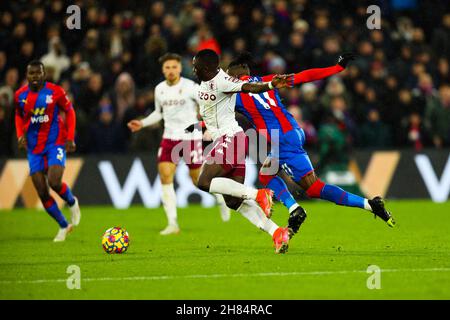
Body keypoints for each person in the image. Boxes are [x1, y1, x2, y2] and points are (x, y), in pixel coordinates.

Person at [225, 52, 396, 238]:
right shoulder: (267, 80)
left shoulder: (235, 94)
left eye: (227, 76)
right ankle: (299, 209)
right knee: (267, 173)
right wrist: (336, 68)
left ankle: (301, 209)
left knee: (314, 188)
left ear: (233, 77)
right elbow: (304, 76)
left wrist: (202, 125)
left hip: (281, 139)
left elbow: (221, 117)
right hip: (294, 131)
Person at [189, 49, 293, 253]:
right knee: (233, 200)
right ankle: (277, 233)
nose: (193, 70)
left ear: (207, 68)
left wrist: (271, 84)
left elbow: (249, 87)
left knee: (203, 182)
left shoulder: (223, 81)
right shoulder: (206, 82)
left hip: (231, 139)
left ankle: (259, 194)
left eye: (196, 67)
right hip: (231, 141)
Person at [127, 53, 230, 235]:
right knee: (165, 177)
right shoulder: (159, 89)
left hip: (190, 139)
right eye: (167, 68)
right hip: (169, 139)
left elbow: (207, 107)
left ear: (180, 68)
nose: (171, 70)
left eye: (174, 67)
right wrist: (142, 123)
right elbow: (159, 113)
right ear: (163, 70)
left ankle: (221, 198)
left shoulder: (191, 87)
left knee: (198, 181)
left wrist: (209, 127)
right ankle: (172, 224)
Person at [14, 60, 81, 242]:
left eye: (38, 73)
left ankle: (72, 201)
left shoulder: (55, 91)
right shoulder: (20, 95)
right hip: (34, 149)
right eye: (31, 74)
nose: (35, 77)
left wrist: (70, 137)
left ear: (44, 74)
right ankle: (63, 225)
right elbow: (19, 116)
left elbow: (70, 111)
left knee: (54, 181)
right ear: (27, 75)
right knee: (42, 192)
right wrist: (20, 135)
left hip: (55, 143)